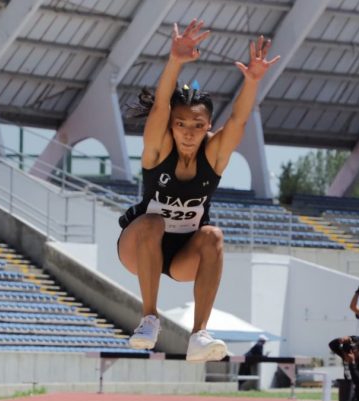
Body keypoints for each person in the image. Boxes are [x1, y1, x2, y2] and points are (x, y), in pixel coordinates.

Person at [117, 20, 280, 362]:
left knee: (214, 235)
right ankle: (149, 319)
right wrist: (175, 61)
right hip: (140, 246)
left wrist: (251, 81)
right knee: (153, 222)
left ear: (208, 126)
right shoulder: (158, 150)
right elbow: (160, 107)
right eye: (181, 125)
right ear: (171, 126)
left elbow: (238, 121)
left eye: (197, 125)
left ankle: (199, 334)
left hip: (182, 255)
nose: (188, 133)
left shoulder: (214, 156)